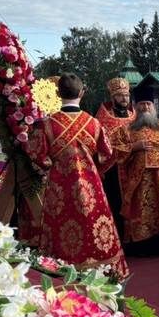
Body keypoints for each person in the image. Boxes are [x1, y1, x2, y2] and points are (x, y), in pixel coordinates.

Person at [28, 73, 127, 277]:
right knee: (94, 226)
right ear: (82, 93)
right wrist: (94, 169)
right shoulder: (95, 123)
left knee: (60, 228)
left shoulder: (46, 125)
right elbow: (108, 155)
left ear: (57, 93)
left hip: (59, 188)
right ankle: (100, 268)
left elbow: (36, 154)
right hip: (91, 187)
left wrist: (51, 165)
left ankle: (59, 272)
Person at [109, 86, 159, 257]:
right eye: (142, 104)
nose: (145, 108)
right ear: (135, 106)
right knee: (141, 212)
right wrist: (133, 147)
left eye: (148, 104)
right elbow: (113, 153)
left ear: (154, 107)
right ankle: (142, 246)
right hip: (138, 182)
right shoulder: (124, 130)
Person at [96, 77, 136, 238]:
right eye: (120, 96)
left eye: (126, 95)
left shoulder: (135, 116)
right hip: (113, 170)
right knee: (115, 203)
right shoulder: (103, 119)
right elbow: (100, 146)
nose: (124, 99)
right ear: (113, 98)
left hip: (133, 168)